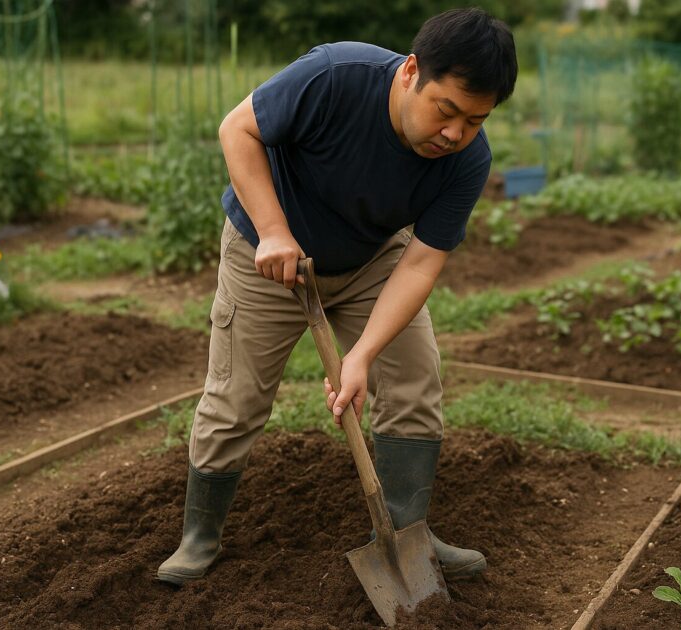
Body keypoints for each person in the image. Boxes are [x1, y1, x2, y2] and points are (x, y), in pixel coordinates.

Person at [157, 7, 517, 586]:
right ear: (410, 72)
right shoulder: (334, 75)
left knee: (414, 378)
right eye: (446, 111)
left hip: (373, 260)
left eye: (475, 121)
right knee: (237, 397)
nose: (455, 134)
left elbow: (422, 261)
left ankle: (407, 536)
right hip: (268, 256)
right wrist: (274, 231)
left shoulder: (467, 162)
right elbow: (237, 129)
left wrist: (363, 356)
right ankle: (199, 537)